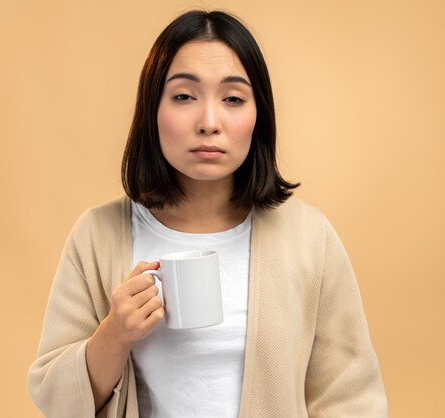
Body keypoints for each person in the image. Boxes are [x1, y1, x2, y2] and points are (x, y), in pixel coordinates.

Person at [28, 9, 388, 418]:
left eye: (233, 98)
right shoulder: (97, 236)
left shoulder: (309, 237)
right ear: (152, 111)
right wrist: (114, 334)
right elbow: (54, 399)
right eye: (184, 96)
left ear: (259, 117)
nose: (209, 122)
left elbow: (352, 397)